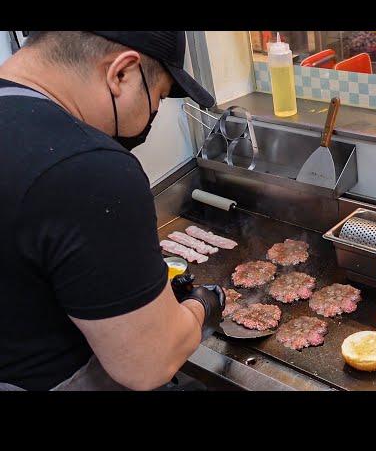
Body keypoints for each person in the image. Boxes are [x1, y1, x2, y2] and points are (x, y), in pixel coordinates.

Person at [0, 31, 224, 391]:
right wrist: (204, 304)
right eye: (161, 97)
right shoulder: (89, 169)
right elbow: (151, 363)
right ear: (121, 73)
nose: (153, 113)